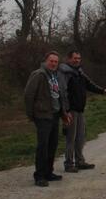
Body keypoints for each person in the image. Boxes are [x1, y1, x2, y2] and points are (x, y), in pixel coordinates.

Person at [58, 50, 106, 173]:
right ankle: (69, 163)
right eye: (75, 58)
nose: (77, 60)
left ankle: (80, 161)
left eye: (79, 58)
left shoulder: (79, 72)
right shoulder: (65, 73)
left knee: (80, 137)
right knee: (71, 138)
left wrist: (102, 91)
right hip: (71, 110)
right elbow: (62, 92)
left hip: (80, 110)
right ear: (69, 59)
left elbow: (89, 84)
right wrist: (65, 111)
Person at [24, 51, 72, 187]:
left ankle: (48, 173)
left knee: (52, 145)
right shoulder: (39, 74)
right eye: (51, 61)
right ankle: (39, 176)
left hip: (54, 115)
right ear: (45, 61)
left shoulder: (54, 76)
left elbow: (58, 96)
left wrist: (64, 113)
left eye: (56, 62)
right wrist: (31, 115)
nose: (53, 64)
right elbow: (28, 95)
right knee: (43, 146)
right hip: (43, 116)